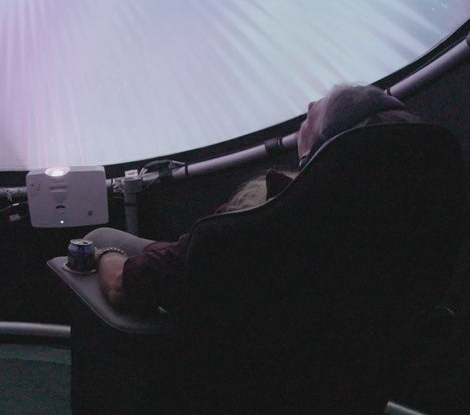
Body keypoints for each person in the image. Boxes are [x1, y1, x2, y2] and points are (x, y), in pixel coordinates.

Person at [94, 83, 419, 313]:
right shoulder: (410, 232)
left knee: (100, 238)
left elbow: (124, 285)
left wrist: (104, 253)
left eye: (318, 113)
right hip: (342, 399)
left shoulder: (255, 225)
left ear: (329, 151)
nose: (309, 107)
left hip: (225, 389)